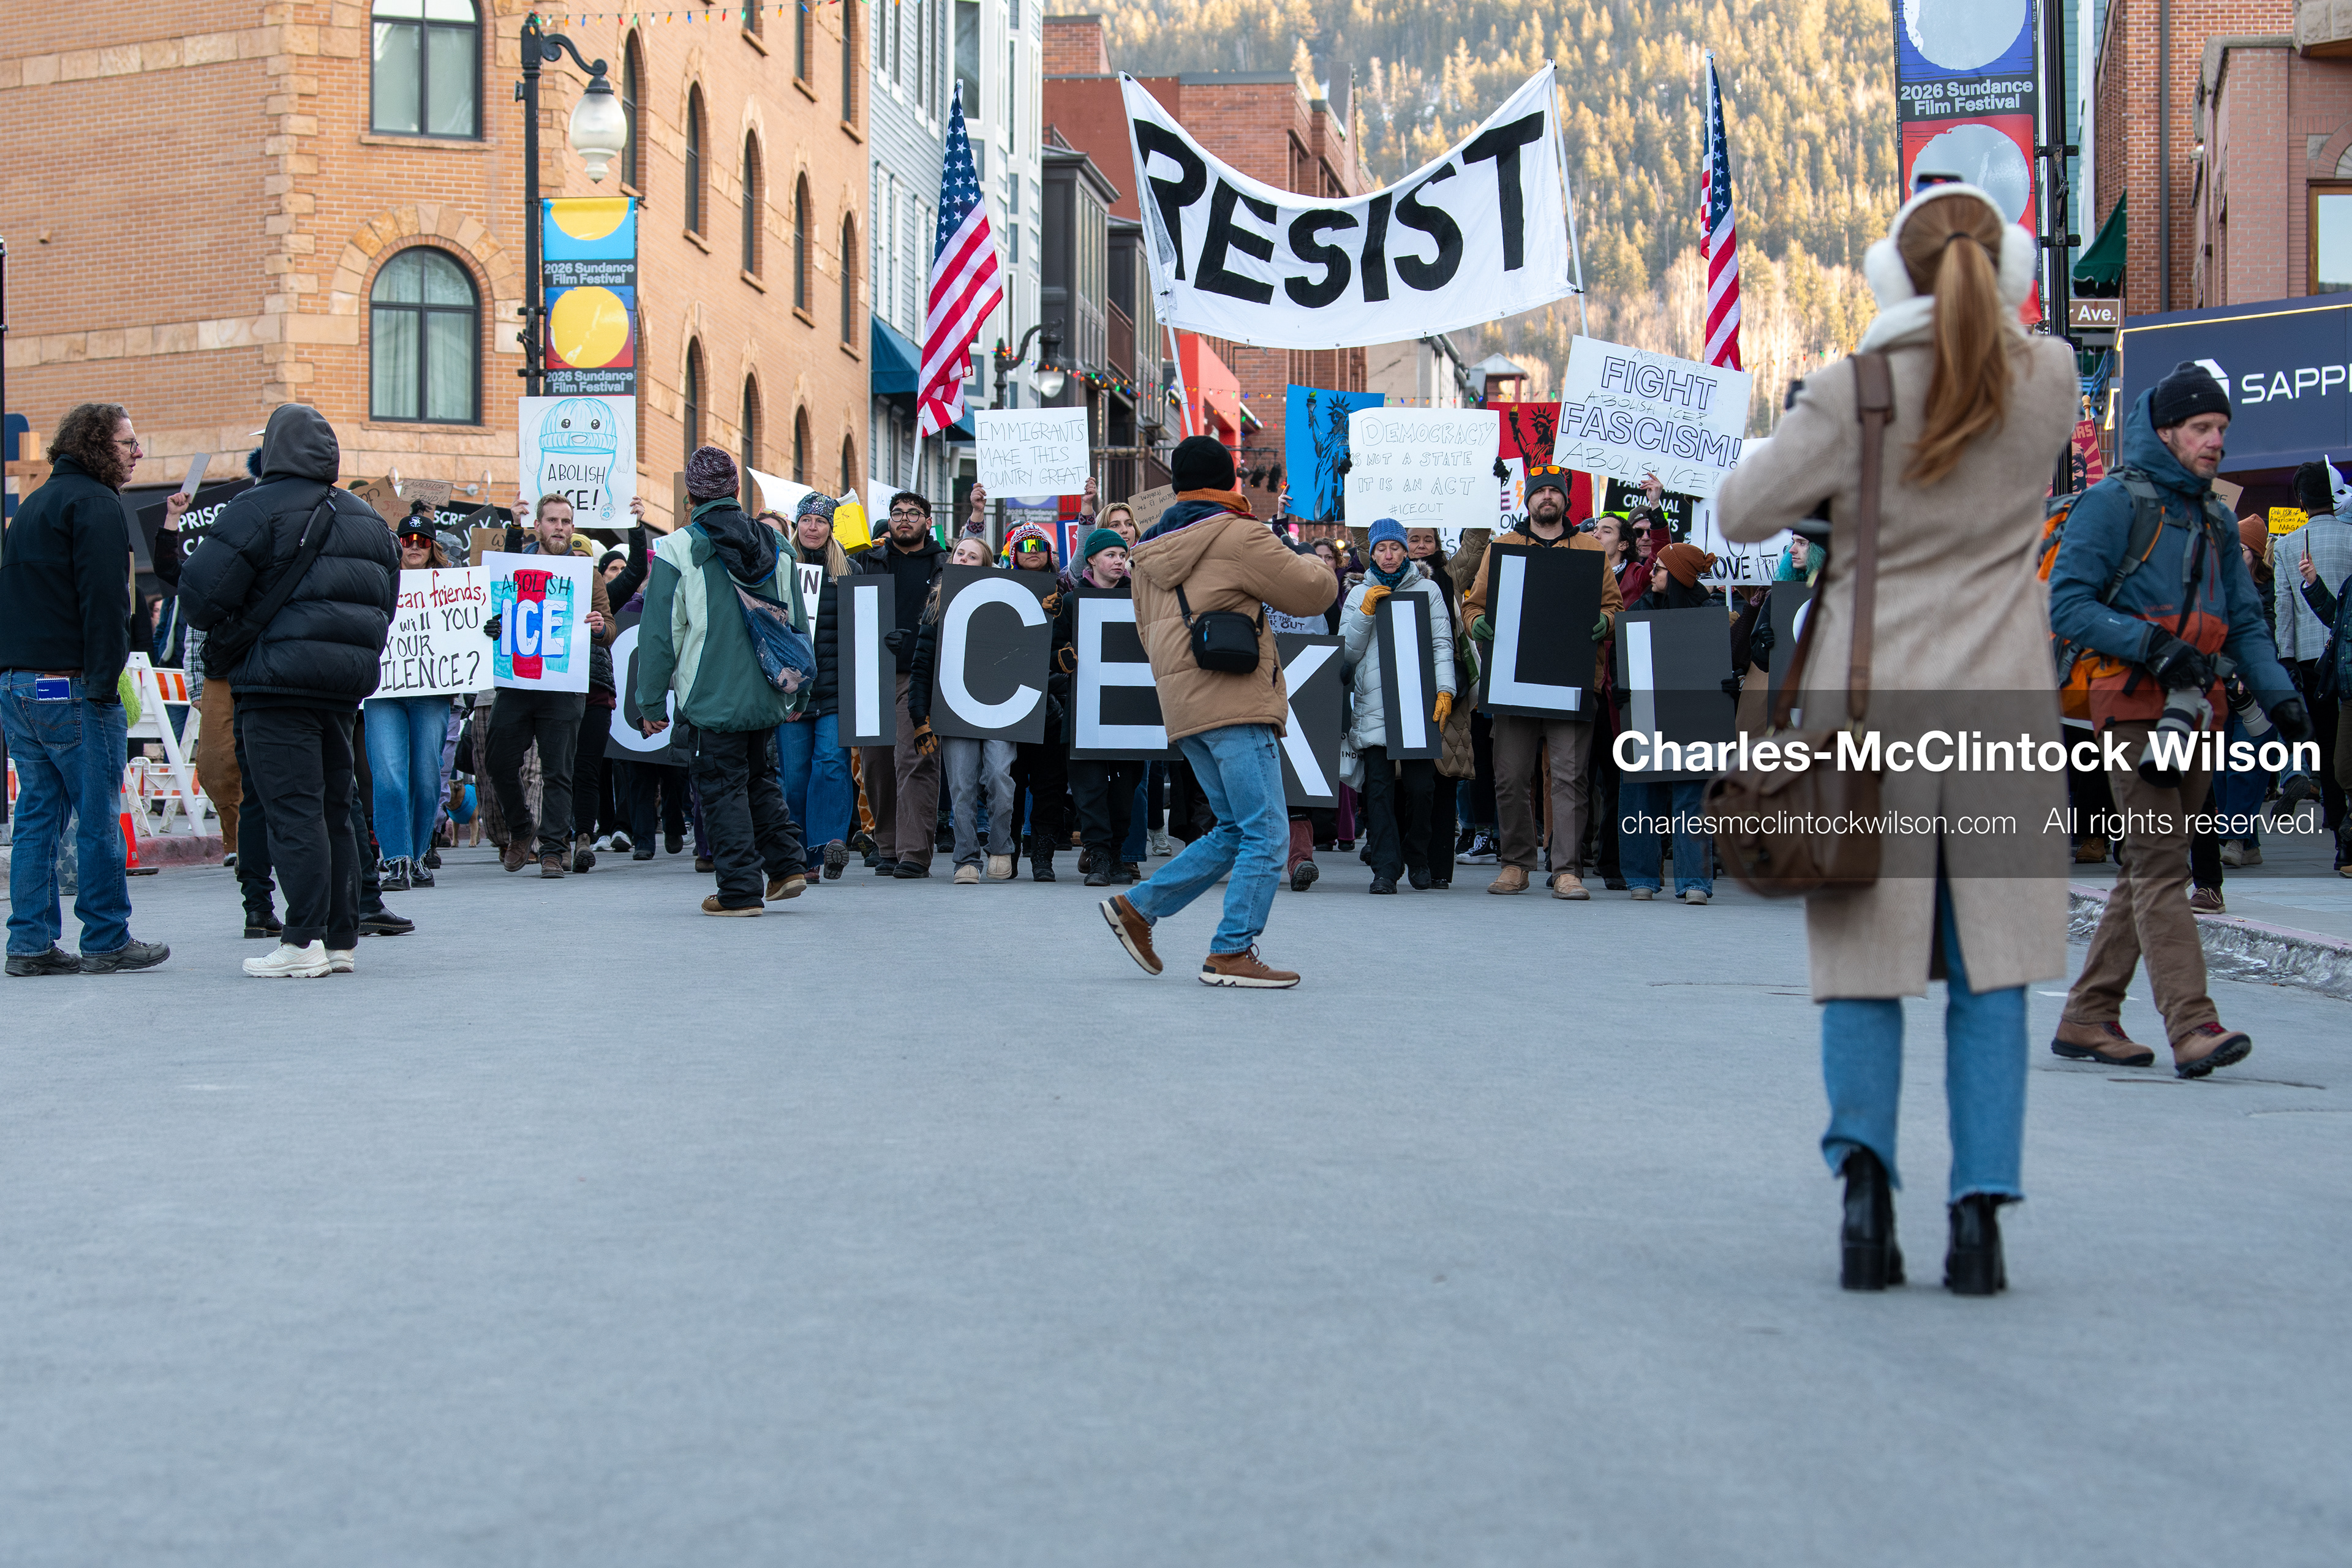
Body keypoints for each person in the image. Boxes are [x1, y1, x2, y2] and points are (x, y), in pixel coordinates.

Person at [1719, 184, 2084, 1294]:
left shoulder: (1853, 391)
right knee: (1994, 969)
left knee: (1866, 965)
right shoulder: (2053, 378)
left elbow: (1740, 513)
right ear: (2011, 271)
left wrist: (1838, 507)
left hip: (1867, 712)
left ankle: (1865, 1206)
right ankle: (1980, 1219)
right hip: (2004, 706)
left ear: (1892, 280)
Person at [2049, 358, 2309, 1077]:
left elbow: (2248, 622)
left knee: (2145, 868)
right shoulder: (2113, 504)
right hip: (2132, 707)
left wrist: (2281, 694)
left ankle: (2087, 1014)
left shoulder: (2216, 518)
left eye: (2222, 428)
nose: (2216, 441)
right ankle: (2192, 1025)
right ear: (2166, 431)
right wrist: (2153, 646)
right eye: (2202, 427)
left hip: (2203, 713)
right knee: (2163, 867)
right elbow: (2067, 605)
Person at [1098, 434, 1337, 987]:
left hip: (1185, 706)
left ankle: (1138, 909)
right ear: (1229, 481)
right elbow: (1315, 592)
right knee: (1268, 832)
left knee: (1234, 828)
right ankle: (1231, 951)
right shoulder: (1238, 534)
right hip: (1236, 698)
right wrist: (1290, 543)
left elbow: (1144, 633)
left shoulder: (1146, 551)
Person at [181, 402, 400, 979]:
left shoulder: (254, 507)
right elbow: (386, 602)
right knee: (336, 808)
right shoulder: (366, 517)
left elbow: (201, 598)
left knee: (292, 810)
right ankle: (339, 938)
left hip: (275, 681)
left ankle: (301, 941)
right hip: (341, 688)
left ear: (275, 448)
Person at [0, 402, 172, 976]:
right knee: (97, 817)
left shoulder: (35, 506)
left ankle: (28, 944)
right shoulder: (96, 504)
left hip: (22, 687)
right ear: (99, 445)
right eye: (128, 443)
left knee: (37, 818)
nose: (137, 453)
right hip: (74, 687)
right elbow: (105, 603)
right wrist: (102, 684)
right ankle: (105, 938)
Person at [634, 445, 809, 914]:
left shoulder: (677, 549)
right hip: (769, 688)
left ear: (691, 497)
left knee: (721, 788)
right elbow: (798, 627)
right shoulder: (779, 546)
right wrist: (801, 691)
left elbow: (658, 637)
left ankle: (738, 891)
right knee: (758, 777)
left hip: (711, 693)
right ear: (736, 490)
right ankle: (789, 865)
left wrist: (650, 704)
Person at [1460, 464, 1624, 899]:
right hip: (1514, 679)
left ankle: (1567, 869)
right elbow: (1473, 605)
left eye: (1555, 491)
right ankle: (1516, 863)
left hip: (1571, 680)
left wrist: (1604, 622)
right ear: (1528, 500)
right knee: (1510, 775)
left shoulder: (1591, 549)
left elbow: (1616, 608)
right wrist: (1478, 623)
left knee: (1570, 778)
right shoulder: (1502, 549)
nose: (1547, 497)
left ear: (1566, 500)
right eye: (1540, 492)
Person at [480, 494, 614, 877]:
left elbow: (608, 626)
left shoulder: (585, 572)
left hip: (564, 684)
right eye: (552, 521)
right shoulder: (516, 564)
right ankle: (522, 829)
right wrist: (493, 625)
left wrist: (600, 627)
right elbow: (489, 612)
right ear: (538, 526)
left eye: (566, 522)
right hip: (517, 683)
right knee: (498, 761)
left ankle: (554, 849)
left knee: (559, 771)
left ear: (574, 528)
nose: (560, 528)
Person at [1340, 518, 1457, 894]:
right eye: (1380, 549)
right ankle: (1385, 869)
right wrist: (1365, 613)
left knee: (1422, 789)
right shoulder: (1359, 594)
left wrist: (1445, 690)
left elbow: (1442, 644)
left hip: (1417, 702)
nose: (1388, 556)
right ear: (1370, 553)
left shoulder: (1428, 590)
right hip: (1375, 705)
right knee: (1378, 791)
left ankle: (1417, 857)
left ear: (1406, 550)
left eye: (1394, 548)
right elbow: (1346, 654)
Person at [908, 537, 1019, 884]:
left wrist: (1047, 612)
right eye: (960, 554)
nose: (965, 559)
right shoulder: (937, 603)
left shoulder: (1006, 600)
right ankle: (965, 858)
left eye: (974, 556)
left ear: (985, 566)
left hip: (999, 707)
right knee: (961, 786)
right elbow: (922, 664)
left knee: (1001, 778)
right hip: (955, 708)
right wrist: (919, 717)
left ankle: (1001, 847)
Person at [855, 489, 947, 876]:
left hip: (919, 675)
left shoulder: (945, 566)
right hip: (872, 672)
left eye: (913, 513)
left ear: (928, 521)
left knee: (913, 759)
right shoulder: (867, 562)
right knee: (876, 763)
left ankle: (914, 853)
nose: (904, 519)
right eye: (897, 513)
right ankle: (887, 845)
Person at [366, 511, 457, 891]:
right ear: (397, 544)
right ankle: (395, 859)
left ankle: (419, 855)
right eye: (407, 540)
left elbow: (467, 627)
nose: (414, 547)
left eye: (422, 541)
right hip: (384, 690)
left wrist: (488, 628)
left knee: (424, 775)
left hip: (431, 692)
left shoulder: (455, 585)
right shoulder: (375, 580)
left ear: (432, 545)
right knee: (388, 775)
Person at [1055, 527, 1147, 889]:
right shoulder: (1072, 601)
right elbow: (1049, 650)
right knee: (1089, 789)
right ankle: (1098, 856)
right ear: (1091, 559)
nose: (1119, 561)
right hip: (1085, 711)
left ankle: (1119, 852)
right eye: (1110, 554)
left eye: (1123, 555)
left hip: (1131, 713)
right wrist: (1062, 658)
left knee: (1126, 790)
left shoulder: (1141, 600)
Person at [782, 492, 858, 878]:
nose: (813, 528)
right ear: (797, 525)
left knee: (831, 765)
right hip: (789, 692)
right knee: (794, 776)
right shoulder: (778, 570)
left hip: (834, 692)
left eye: (821, 521)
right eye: (807, 520)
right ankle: (799, 856)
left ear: (831, 528)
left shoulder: (851, 572)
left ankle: (829, 844)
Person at [2275, 459, 2352, 844]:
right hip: (2350, 655)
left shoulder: (2288, 546)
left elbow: (2283, 608)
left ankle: (2337, 821)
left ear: (2302, 499)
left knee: (2325, 741)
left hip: (2309, 659)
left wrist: (2285, 657)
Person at [1003, 519, 1071, 881]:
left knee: (1050, 785)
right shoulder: (996, 589)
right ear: (1014, 554)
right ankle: (1008, 855)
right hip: (1010, 703)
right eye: (1025, 547)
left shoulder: (1065, 593)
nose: (1033, 554)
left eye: (1039, 547)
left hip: (1051, 705)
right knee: (1010, 783)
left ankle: (1042, 858)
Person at [2293, 547, 2352, 873]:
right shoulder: (2350, 585)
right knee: (2343, 770)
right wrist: (2313, 582)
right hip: (2347, 692)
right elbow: (2336, 620)